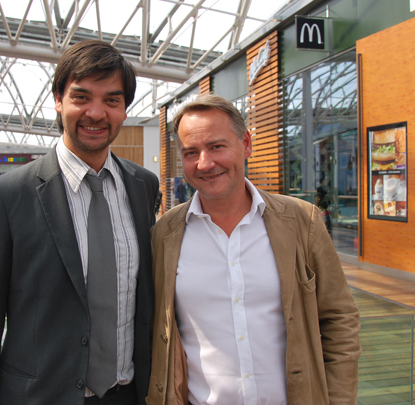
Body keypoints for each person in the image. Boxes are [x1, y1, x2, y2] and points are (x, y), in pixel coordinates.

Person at [0, 39, 159, 404]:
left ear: (125, 109)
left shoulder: (143, 186)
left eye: (111, 100)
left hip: (129, 395)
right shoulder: (9, 196)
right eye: (81, 97)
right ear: (58, 100)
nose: (96, 113)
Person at [147, 94, 361, 404]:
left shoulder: (301, 222)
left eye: (217, 146)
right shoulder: (165, 235)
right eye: (191, 152)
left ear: (246, 144)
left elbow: (339, 319)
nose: (205, 163)